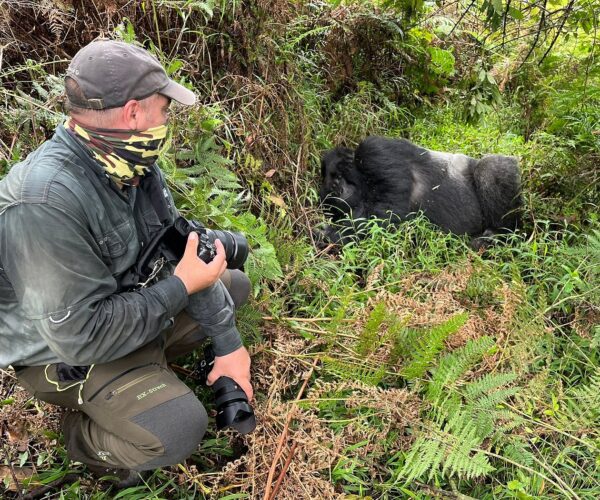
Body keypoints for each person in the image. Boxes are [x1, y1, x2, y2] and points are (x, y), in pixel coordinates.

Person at [0, 40, 253, 487]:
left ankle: (144, 371)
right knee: (177, 429)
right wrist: (179, 288)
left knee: (232, 288)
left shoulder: (128, 161)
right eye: (164, 108)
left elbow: (181, 248)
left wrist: (230, 348)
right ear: (134, 113)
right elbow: (79, 336)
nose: (166, 120)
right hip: (61, 353)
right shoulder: (43, 202)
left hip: (123, 305)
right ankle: (84, 435)